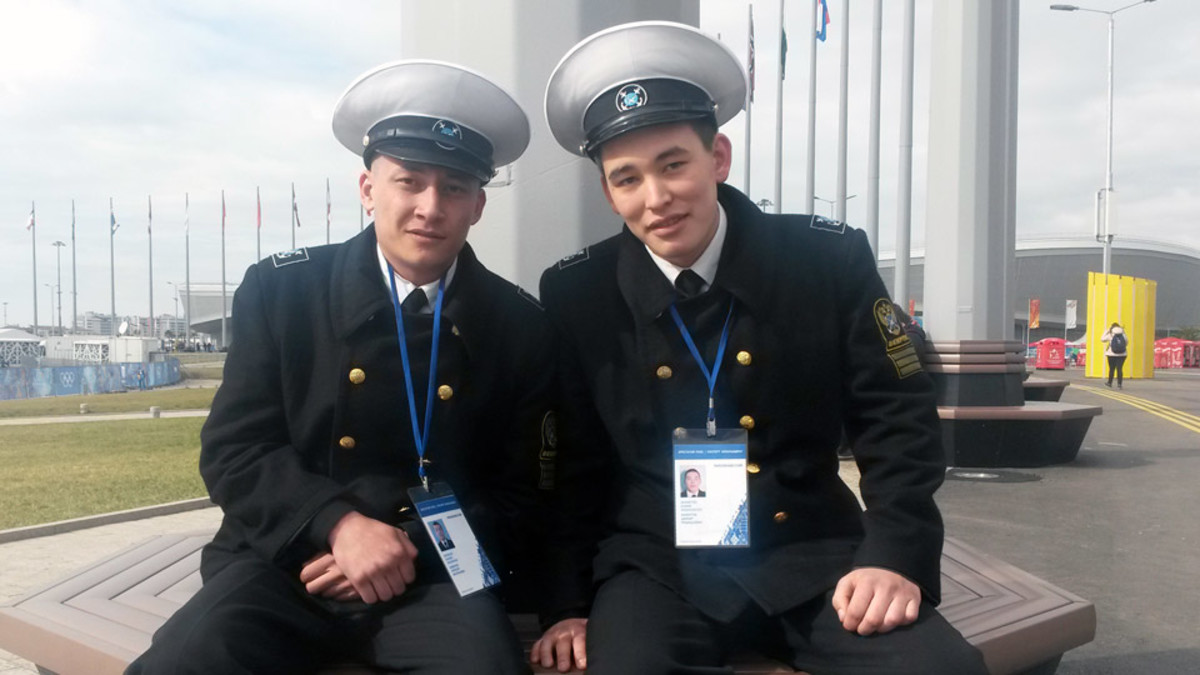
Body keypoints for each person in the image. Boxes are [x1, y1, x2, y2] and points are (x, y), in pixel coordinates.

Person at [531, 22, 986, 675]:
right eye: (627, 178)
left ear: (718, 156)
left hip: (809, 546)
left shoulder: (826, 259)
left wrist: (895, 552)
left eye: (673, 165)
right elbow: (571, 465)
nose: (655, 198)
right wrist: (565, 602)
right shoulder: (577, 292)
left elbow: (897, 415)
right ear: (608, 191)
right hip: (657, 562)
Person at [127, 60, 555, 675]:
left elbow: (524, 494)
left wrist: (403, 548)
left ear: (478, 205)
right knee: (184, 663)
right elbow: (235, 449)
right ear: (368, 189)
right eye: (409, 181)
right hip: (287, 555)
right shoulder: (282, 292)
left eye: (454, 188)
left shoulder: (521, 326)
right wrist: (339, 526)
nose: (430, 207)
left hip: (436, 570)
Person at [1101, 322, 1129, 388]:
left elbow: (1102, 339)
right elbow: (1126, 343)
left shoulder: (1110, 334)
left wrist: (1107, 331)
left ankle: (1109, 383)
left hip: (1111, 354)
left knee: (1111, 369)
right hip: (1122, 354)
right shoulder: (1123, 335)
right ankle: (1119, 384)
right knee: (1119, 369)